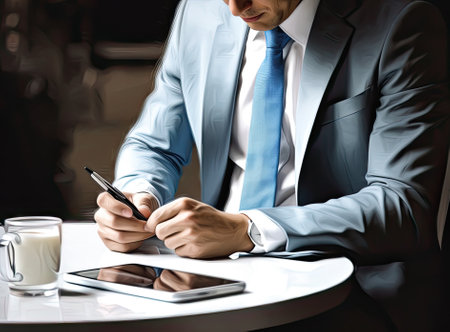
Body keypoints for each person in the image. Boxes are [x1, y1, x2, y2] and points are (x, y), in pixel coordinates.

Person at [94, 0, 449, 330]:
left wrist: (246, 229)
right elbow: (154, 144)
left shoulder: (402, 25)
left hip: (353, 289)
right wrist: (138, 194)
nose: (235, 8)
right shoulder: (199, 12)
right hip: (214, 278)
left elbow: (403, 204)